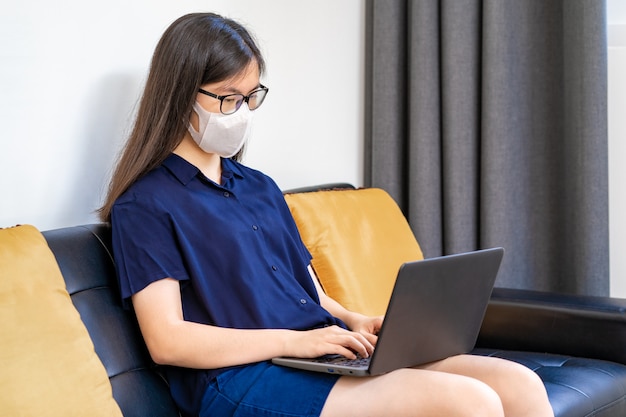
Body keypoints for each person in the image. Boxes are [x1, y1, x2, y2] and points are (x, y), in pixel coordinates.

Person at [99, 12, 553, 417]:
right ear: (181, 95)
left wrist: (355, 319)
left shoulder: (258, 186)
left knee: (518, 383)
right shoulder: (145, 205)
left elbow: (313, 298)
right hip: (240, 377)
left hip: (313, 352)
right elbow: (167, 340)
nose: (240, 112)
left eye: (250, 96)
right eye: (226, 97)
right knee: (468, 402)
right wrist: (294, 341)